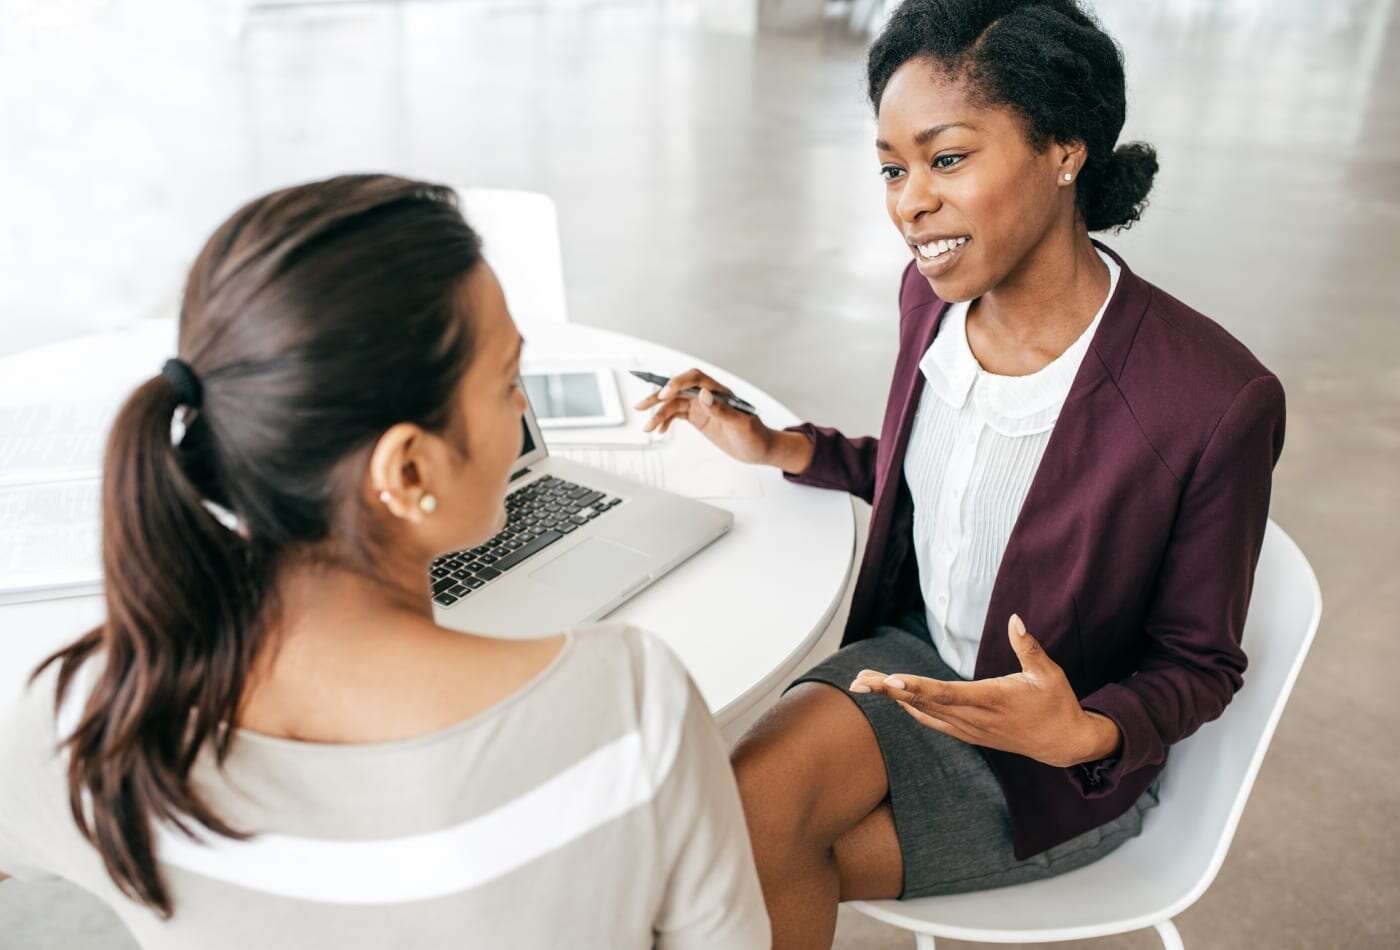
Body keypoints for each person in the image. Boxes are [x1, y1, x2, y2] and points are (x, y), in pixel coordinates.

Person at [635, 2, 1285, 946]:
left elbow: (1199, 664)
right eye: (893, 169)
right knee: (717, 839)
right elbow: (941, 478)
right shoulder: (934, 298)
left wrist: (1081, 735)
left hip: (1052, 763)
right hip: (915, 661)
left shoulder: (1211, 398)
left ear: (1065, 149)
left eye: (946, 160)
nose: (909, 203)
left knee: (722, 859)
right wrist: (782, 447)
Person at [0, 175, 769, 950]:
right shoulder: (631, 710)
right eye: (507, 383)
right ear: (406, 472)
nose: (523, 411)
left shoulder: (86, 726)